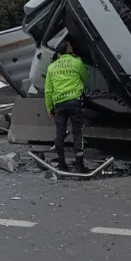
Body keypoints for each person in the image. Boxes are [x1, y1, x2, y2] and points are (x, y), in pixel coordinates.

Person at [45, 39, 89, 172]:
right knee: (77, 133)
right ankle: (79, 165)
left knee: (60, 133)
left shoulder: (51, 67)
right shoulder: (77, 62)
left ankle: (62, 164)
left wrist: (49, 107)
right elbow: (86, 77)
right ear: (67, 48)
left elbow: (48, 90)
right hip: (74, 102)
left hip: (59, 104)